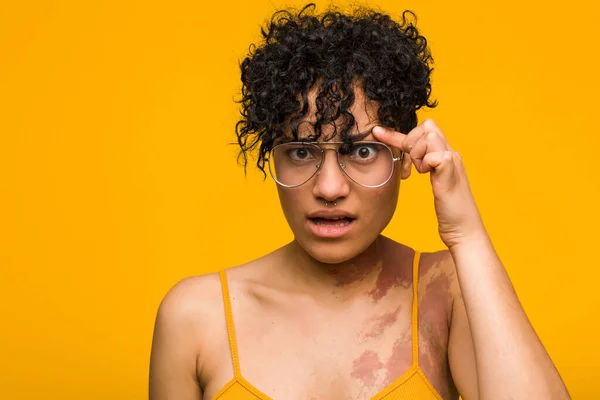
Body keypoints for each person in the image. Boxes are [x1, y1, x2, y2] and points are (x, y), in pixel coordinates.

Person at [149, 4, 570, 399]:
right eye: (301, 151)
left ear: (406, 157)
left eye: (362, 151)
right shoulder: (196, 318)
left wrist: (467, 235)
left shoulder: (446, 292)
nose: (329, 188)